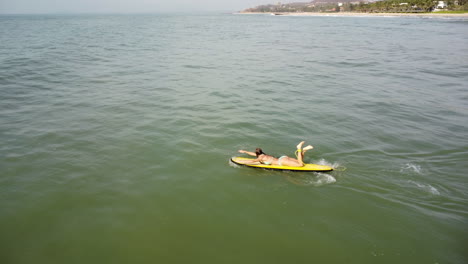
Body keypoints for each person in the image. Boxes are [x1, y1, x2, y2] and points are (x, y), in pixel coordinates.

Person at [238, 141, 313, 167]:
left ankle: (299, 148)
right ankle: (304, 150)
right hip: (283, 158)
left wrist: (242, 162)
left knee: (300, 164)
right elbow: (253, 154)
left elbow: (252, 161)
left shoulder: (260, 158)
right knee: (299, 161)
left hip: (282, 162)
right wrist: (245, 151)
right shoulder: (264, 155)